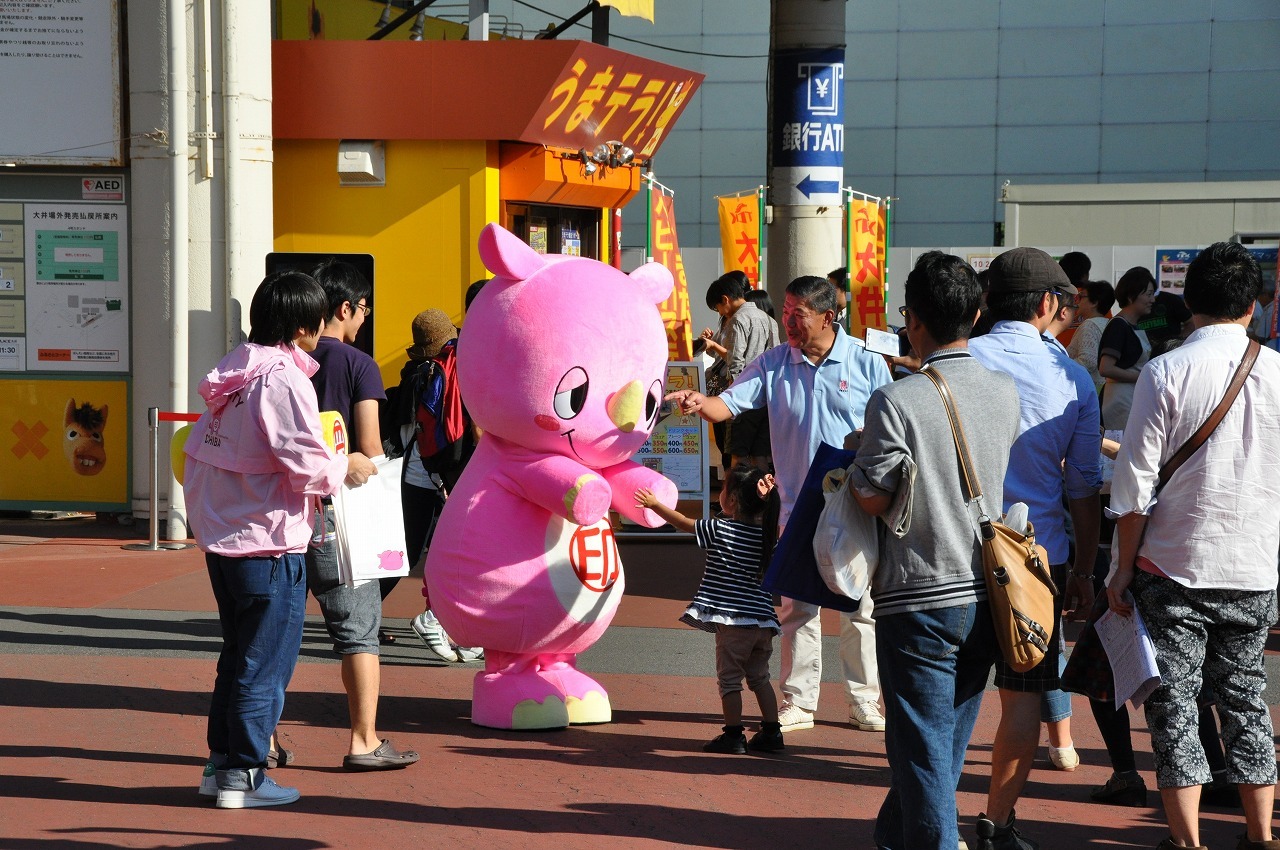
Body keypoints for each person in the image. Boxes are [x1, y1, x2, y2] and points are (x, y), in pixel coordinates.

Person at [1106, 241, 1280, 850]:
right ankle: (1261, 837)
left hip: (1172, 565)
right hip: (1255, 565)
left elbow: (1132, 490)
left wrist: (1120, 571)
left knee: (1175, 709)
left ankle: (1187, 842)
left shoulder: (1165, 370)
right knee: (1247, 703)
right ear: (1254, 307)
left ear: (1190, 303)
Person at [667, 274, 892, 735]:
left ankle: (864, 700)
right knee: (797, 608)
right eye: (785, 312)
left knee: (859, 606)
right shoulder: (774, 363)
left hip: (853, 506)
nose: (787, 321)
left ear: (828, 317)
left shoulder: (868, 363)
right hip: (794, 504)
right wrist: (698, 402)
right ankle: (798, 701)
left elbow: (889, 429)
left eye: (798, 314)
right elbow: (728, 404)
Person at [186, 271, 377, 808]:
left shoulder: (235, 373)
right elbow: (307, 463)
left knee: (238, 657)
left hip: (225, 537)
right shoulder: (282, 379)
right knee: (263, 664)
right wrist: (348, 467)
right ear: (303, 324)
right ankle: (243, 776)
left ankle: (221, 765)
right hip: (267, 540)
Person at [850, 251, 1019, 849]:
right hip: (990, 589)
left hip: (919, 591)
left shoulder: (897, 400)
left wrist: (854, 461)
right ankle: (896, 835)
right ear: (975, 314)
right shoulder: (1004, 392)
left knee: (921, 750)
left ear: (911, 320)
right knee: (942, 743)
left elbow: (872, 496)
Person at [969, 247, 1102, 850]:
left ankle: (929, 819)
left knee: (947, 693)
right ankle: (997, 821)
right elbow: (1083, 485)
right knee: (1023, 698)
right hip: (1035, 560)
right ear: (1050, 304)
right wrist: (1087, 570)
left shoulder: (956, 359)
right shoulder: (1071, 377)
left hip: (956, 554)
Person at [305, 259, 419, 772]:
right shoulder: (357, 364)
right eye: (363, 310)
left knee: (276, 631)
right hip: (341, 513)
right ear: (345, 308)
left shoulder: (289, 359)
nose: (363, 319)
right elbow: (369, 448)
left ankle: (259, 740)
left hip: (285, 511)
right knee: (358, 629)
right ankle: (364, 739)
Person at [634, 464, 784, 754]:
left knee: (729, 680)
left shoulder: (720, 529)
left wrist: (655, 504)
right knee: (760, 678)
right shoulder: (768, 538)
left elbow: (683, 522)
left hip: (733, 622)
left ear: (733, 500)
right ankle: (772, 732)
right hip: (764, 622)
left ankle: (733, 735)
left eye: (724, 490)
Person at [728, 287, 781, 471]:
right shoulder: (772, 322)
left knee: (739, 453)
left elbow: (736, 361)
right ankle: (765, 498)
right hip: (767, 396)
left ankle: (733, 498)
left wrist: (733, 396)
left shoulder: (739, 319)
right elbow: (777, 354)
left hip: (746, 393)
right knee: (760, 454)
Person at [1099, 267, 1157, 429]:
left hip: (1131, 396)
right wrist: (1141, 377)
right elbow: (1106, 368)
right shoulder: (1118, 326)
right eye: (1148, 294)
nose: (1153, 300)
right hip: (1120, 400)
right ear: (1131, 296)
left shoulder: (1133, 326)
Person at [1066, 281, 1116, 393]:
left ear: (1094, 302)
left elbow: (1088, 361)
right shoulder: (1109, 323)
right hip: (1105, 390)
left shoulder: (1089, 325)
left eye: (1081, 296)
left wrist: (1062, 366)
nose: (1077, 301)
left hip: (1090, 389)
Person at [1055, 251, 1092, 347]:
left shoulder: (1053, 296)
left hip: (1055, 352)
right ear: (1085, 275)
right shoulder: (1095, 298)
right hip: (1086, 351)